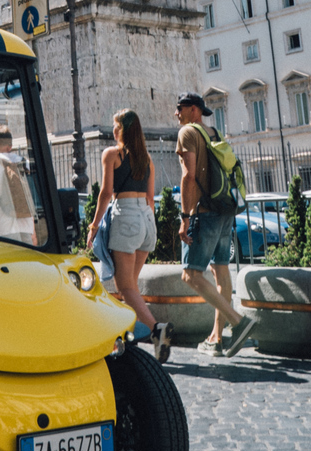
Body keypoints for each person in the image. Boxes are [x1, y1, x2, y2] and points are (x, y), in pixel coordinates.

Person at [87, 109, 173, 363]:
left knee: (125, 286)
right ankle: (125, 337)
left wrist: (93, 226)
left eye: (116, 127)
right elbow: (150, 198)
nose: (113, 131)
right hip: (146, 220)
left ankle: (157, 329)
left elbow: (105, 193)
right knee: (130, 288)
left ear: (123, 130)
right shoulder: (147, 158)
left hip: (126, 217)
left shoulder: (112, 154)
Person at [175, 92, 257, 357]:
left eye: (181, 108)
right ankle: (217, 338)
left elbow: (188, 176)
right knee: (221, 271)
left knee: (190, 274)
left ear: (194, 110)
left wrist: (185, 217)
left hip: (204, 212)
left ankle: (238, 321)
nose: (177, 113)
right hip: (225, 210)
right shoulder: (214, 132)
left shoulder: (188, 132)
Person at [0, 124, 36, 244]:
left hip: (3, 231)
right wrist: (34, 233)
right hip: (26, 229)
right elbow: (30, 198)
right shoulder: (24, 163)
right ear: (10, 145)